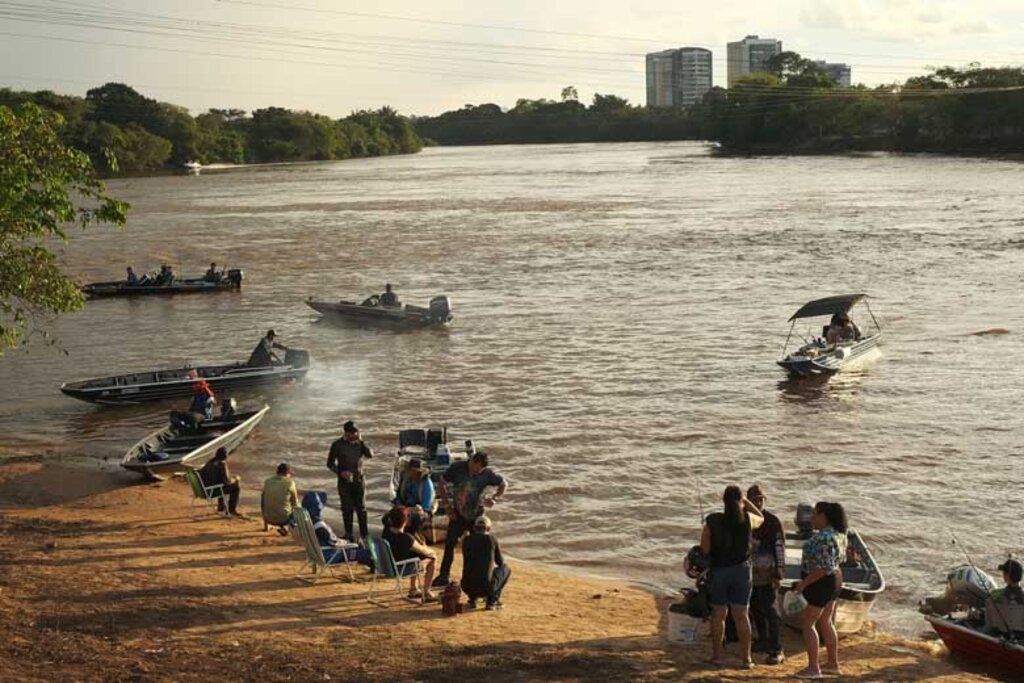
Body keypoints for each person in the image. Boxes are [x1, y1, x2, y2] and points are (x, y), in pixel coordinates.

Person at [699, 485, 764, 669]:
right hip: (741, 571)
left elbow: (704, 549)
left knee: (719, 615)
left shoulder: (713, 520)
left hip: (719, 571)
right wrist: (746, 502)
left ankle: (717, 656)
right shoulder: (748, 519)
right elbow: (762, 517)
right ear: (740, 501)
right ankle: (746, 659)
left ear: (723, 502)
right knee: (741, 616)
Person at [432, 450, 506, 587]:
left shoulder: (487, 474)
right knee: (449, 545)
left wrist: (495, 498)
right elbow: (441, 484)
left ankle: (476, 577)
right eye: (477, 468)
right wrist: (447, 506)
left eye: (480, 470)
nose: (477, 472)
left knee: (476, 548)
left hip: (476, 517)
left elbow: (503, 484)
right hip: (457, 514)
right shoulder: (457, 468)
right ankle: (444, 575)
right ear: (473, 461)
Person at [792, 502, 848, 680]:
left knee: (808, 624)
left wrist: (803, 584)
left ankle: (813, 668)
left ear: (824, 516)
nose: (812, 518)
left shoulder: (822, 539)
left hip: (821, 581)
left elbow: (822, 568)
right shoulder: (840, 535)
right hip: (836, 579)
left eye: (815, 515)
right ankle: (833, 663)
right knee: (826, 621)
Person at [746, 484, 786, 665]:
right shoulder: (745, 520)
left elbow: (779, 547)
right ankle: (762, 639)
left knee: (771, 610)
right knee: (755, 608)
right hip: (749, 574)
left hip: (768, 573)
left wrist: (779, 571)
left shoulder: (772, 521)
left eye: (761, 499)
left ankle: (777, 648)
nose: (759, 502)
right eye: (756, 500)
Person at [326, 421, 373, 543]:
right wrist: (340, 473)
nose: (355, 434)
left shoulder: (360, 444)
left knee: (361, 508)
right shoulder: (337, 445)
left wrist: (362, 442)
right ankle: (349, 534)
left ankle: (365, 535)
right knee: (347, 508)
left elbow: (370, 455)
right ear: (346, 433)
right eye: (352, 433)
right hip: (344, 482)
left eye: (356, 432)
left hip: (359, 480)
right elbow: (329, 464)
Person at [383, 508, 438, 602]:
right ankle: (427, 592)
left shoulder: (386, 532)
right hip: (402, 569)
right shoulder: (406, 538)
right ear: (405, 521)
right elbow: (424, 551)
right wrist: (427, 548)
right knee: (432, 558)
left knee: (414, 555)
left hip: (386, 567)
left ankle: (414, 589)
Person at [461, 515, 510, 610]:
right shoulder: (491, 539)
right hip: (486, 587)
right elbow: (500, 562)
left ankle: (472, 600)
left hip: (467, 586)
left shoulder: (466, 540)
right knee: (506, 569)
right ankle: (492, 601)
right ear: (488, 528)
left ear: (474, 528)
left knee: (473, 568)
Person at [301, 491, 354, 565]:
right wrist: (348, 542)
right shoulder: (319, 525)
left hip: (315, 555)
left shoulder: (306, 522)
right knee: (362, 553)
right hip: (330, 556)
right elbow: (333, 542)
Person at [391, 458, 436, 534]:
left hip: (420, 510)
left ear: (419, 472)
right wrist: (399, 506)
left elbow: (425, 507)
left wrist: (409, 511)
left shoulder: (426, 484)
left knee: (416, 519)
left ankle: (413, 536)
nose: (409, 472)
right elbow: (398, 496)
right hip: (405, 506)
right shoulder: (405, 479)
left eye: (412, 470)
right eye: (409, 470)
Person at [199, 447, 241, 516]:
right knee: (236, 487)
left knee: (221, 483)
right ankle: (231, 510)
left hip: (204, 490)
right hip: (212, 491)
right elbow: (228, 481)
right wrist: (236, 479)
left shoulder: (209, 463)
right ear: (225, 456)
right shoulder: (222, 464)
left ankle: (221, 506)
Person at [261, 463, 299, 536]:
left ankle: (266, 526)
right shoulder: (290, 483)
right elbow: (295, 502)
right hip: (283, 520)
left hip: (267, 517)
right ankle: (291, 530)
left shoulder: (268, 481)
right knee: (297, 506)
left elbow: (263, 498)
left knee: (265, 498)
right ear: (287, 473)